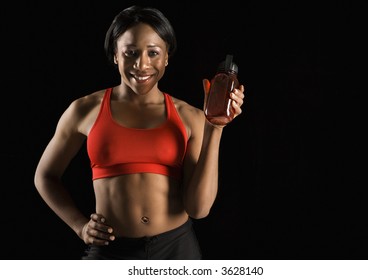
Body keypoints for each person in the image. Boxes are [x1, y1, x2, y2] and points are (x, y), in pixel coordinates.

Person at [34, 5, 245, 260]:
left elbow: (199, 209)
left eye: (153, 53)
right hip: (110, 252)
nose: (141, 64)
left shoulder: (190, 116)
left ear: (167, 57)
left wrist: (215, 127)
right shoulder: (84, 110)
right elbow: (45, 176)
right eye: (130, 53)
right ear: (115, 55)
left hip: (176, 250)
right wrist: (80, 226)